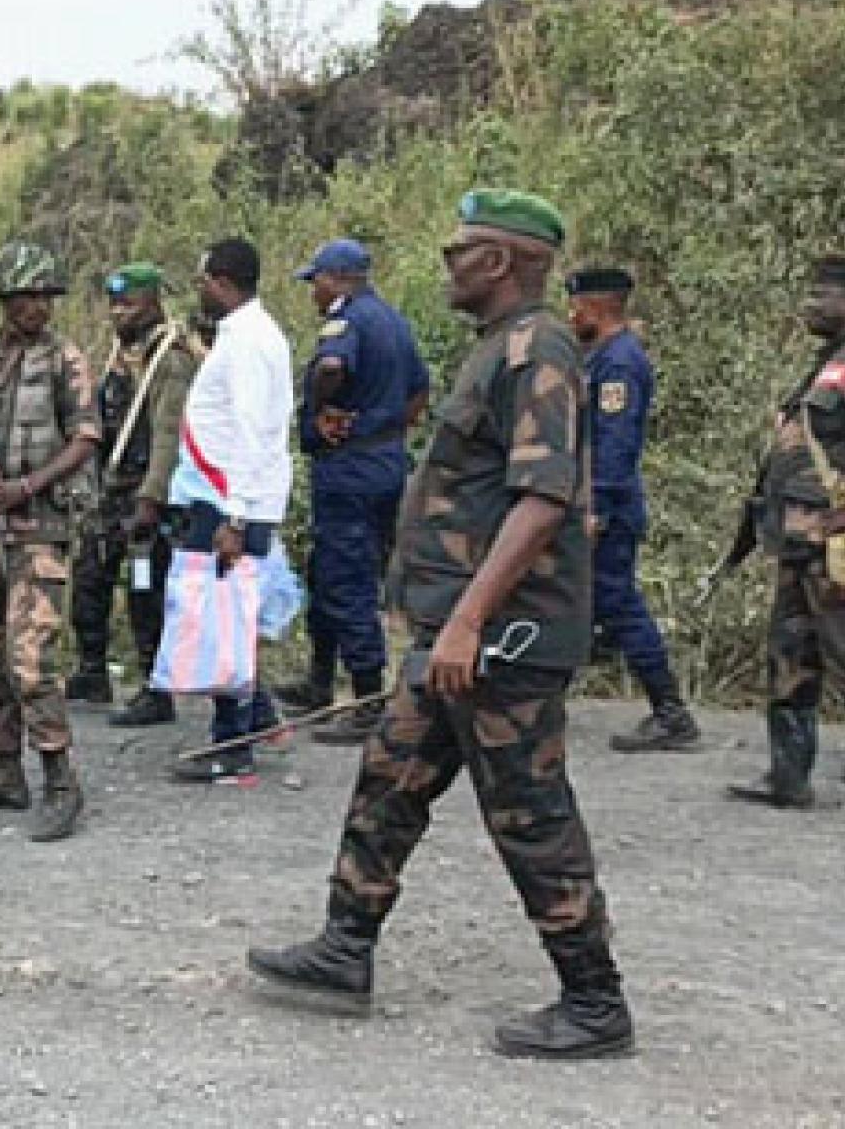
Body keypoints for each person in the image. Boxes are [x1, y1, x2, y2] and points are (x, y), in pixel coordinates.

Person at [248, 189, 633, 1061]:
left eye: (461, 247)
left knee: (529, 811)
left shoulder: (539, 351)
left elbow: (544, 498)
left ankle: (596, 999)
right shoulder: (498, 349)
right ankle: (345, 947)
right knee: (389, 779)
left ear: (498, 261)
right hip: (460, 638)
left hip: (502, 638)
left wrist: (465, 622)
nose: (447, 259)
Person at [0, 241, 99, 842]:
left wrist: (28, 485)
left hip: (40, 529)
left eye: (45, 296)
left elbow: (85, 438)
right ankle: (5, 771)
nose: (38, 307)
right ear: (6, 301)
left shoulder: (65, 360)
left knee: (31, 659)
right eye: (26, 297)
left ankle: (62, 782)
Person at [272, 239, 431, 746]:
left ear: (337, 279)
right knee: (328, 568)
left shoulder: (347, 322)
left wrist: (322, 407)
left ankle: (366, 697)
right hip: (384, 461)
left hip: (349, 469)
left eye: (315, 281)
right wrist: (386, 430)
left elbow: (331, 367)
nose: (313, 293)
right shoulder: (394, 321)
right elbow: (419, 392)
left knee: (346, 577)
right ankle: (319, 678)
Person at [164, 238, 295, 784]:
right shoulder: (242, 335)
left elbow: (252, 431)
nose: (199, 291)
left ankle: (232, 746)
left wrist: (236, 518)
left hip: (229, 502)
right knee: (226, 617)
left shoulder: (247, 342)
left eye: (201, 281)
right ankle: (258, 716)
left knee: (224, 623)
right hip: (221, 496)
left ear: (221, 280)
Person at [724, 256, 845, 809]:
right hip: (798, 541)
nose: (810, 304)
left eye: (824, 294)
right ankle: (787, 776)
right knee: (791, 654)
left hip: (834, 541)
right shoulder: (825, 364)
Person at [566, 266, 700, 753]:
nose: (571, 315)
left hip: (610, 506)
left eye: (578, 306)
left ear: (599, 308)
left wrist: (597, 506)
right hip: (597, 501)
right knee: (589, 601)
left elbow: (615, 443)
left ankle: (670, 711)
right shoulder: (601, 356)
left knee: (616, 601)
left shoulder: (619, 363)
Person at [62, 262, 197, 726]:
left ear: (153, 302)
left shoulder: (170, 357)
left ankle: (155, 687)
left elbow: (167, 432)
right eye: (114, 304)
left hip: (144, 498)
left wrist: (151, 498)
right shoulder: (123, 353)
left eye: (129, 304)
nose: (118, 313)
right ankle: (92, 670)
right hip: (112, 492)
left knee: (145, 591)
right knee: (89, 579)